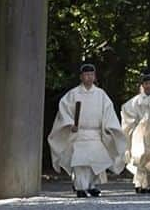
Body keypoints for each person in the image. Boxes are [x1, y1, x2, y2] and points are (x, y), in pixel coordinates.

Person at [48, 63, 127, 197]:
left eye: (91, 75)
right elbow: (64, 111)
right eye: (86, 75)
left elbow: (108, 112)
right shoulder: (73, 94)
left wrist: (108, 127)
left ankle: (91, 185)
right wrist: (69, 124)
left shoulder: (101, 94)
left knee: (95, 162)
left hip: (95, 133)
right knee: (80, 162)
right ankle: (80, 186)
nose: (89, 77)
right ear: (81, 77)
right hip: (79, 134)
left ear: (95, 76)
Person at [121, 72, 150, 193]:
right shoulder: (136, 101)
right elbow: (127, 112)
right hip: (141, 132)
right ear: (142, 85)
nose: (149, 86)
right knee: (141, 155)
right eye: (146, 83)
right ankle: (141, 183)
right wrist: (136, 123)